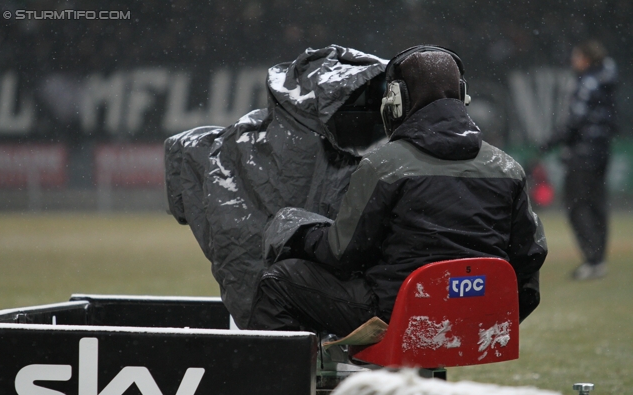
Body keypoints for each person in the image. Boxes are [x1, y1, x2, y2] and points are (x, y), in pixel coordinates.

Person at [247, 45, 548, 337]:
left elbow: (342, 254)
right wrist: (480, 312)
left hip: (400, 317)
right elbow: (530, 257)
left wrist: (299, 231)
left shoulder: (384, 166)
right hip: (476, 321)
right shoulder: (508, 167)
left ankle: (288, 387)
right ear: (461, 96)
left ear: (397, 101)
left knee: (278, 281)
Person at [542, 40, 617, 281]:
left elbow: (576, 120)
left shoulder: (586, 83)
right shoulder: (607, 80)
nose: (574, 61)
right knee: (597, 204)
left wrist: (550, 142)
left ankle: (592, 259)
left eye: (577, 56)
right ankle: (599, 259)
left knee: (577, 206)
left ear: (586, 58)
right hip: (601, 151)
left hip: (582, 153)